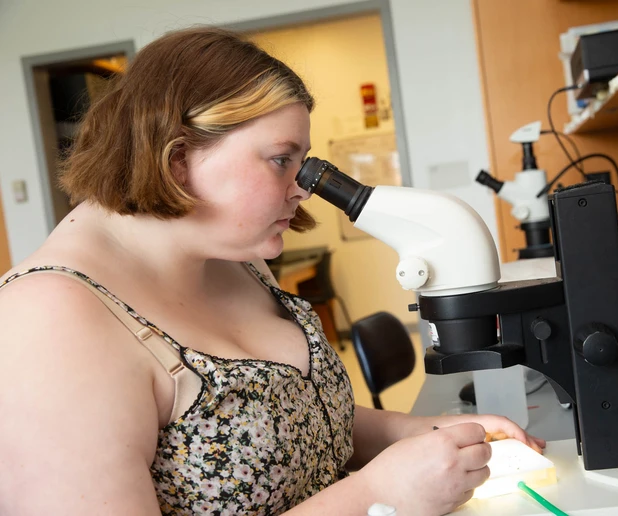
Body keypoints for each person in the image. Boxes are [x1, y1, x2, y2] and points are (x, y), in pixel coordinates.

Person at [0, 27, 545, 516]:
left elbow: (288, 424)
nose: (304, 186)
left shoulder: (233, 257)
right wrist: (377, 496)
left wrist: (418, 432)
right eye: (282, 159)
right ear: (178, 159)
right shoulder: (47, 322)